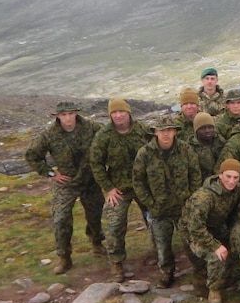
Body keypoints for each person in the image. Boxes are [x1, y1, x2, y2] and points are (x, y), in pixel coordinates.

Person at [25, 100, 105, 274]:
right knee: (61, 219)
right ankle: (64, 257)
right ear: (58, 116)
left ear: (76, 113)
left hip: (90, 179)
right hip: (66, 182)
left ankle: (97, 243)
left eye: (70, 113)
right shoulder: (49, 134)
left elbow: (107, 140)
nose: (67, 118)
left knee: (95, 215)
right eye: (63, 115)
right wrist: (51, 174)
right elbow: (32, 155)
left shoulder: (92, 127)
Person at [132, 113, 202, 288]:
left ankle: (201, 271)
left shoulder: (185, 150)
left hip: (183, 208)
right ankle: (167, 273)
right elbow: (138, 181)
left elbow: (195, 174)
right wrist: (150, 203)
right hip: (159, 210)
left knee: (192, 243)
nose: (165, 134)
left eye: (169, 130)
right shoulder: (145, 153)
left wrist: (191, 200)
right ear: (155, 132)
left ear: (175, 132)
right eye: (161, 130)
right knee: (162, 247)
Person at [89, 97, 151, 282]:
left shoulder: (142, 130)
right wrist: (108, 188)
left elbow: (155, 152)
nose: (118, 115)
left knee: (156, 220)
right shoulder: (103, 135)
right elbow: (96, 163)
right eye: (114, 112)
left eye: (121, 111)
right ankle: (116, 262)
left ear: (128, 112)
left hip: (144, 185)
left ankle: (163, 254)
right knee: (115, 225)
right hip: (119, 188)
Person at [183, 159, 240, 303]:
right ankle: (214, 290)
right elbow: (195, 227)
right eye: (228, 176)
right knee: (217, 256)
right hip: (194, 234)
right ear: (220, 175)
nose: (231, 181)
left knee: (238, 246)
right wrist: (215, 246)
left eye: (235, 178)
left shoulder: (238, 190)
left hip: (217, 228)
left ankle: (234, 277)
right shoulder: (204, 197)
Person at [189, 112, 225, 178]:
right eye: (203, 128)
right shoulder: (190, 147)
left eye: (210, 127)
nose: (207, 131)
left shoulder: (220, 142)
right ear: (196, 131)